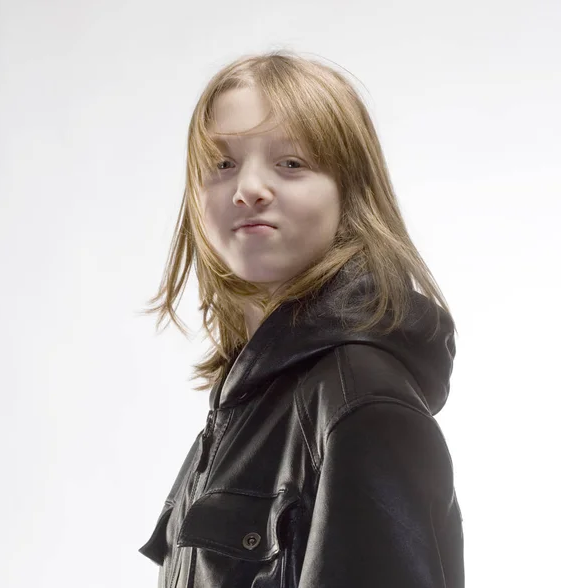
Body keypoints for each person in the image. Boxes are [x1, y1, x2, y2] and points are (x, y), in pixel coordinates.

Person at [138, 49, 465, 588]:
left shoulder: (358, 402)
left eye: (291, 164)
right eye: (222, 163)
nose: (248, 188)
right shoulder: (250, 398)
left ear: (350, 193)